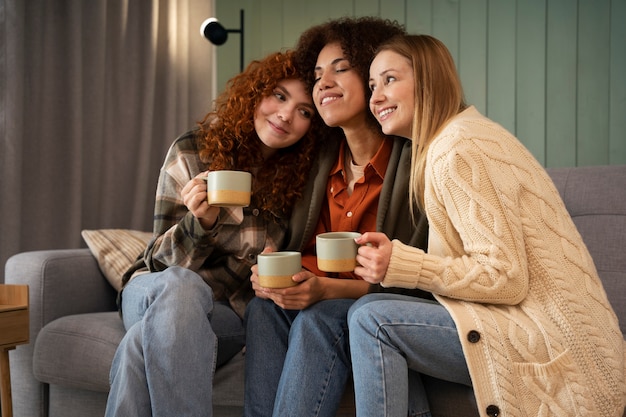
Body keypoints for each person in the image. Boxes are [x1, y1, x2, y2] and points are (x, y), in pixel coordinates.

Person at [348, 34, 626, 417]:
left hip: (556, 343)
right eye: (373, 85)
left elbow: (505, 277)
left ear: (429, 80)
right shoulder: (462, 137)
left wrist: (404, 264)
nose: (376, 97)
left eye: (390, 80)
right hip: (557, 333)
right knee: (372, 307)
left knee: (371, 320)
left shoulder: (459, 148)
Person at [104, 50, 332, 417]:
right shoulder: (193, 149)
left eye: (305, 111)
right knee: (182, 286)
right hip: (154, 288)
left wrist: (271, 269)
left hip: (221, 310)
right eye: (279, 95)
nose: (286, 115)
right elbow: (162, 263)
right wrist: (200, 224)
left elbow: (262, 279)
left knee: (139, 346)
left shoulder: (298, 184)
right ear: (255, 94)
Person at [243, 17, 430, 417]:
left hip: (368, 309)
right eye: (318, 74)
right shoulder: (316, 164)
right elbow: (291, 250)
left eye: (341, 68)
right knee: (263, 309)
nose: (323, 82)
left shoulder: (418, 165)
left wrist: (326, 291)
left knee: (319, 317)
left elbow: (420, 287)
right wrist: (272, 276)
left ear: (375, 77)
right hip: (317, 300)